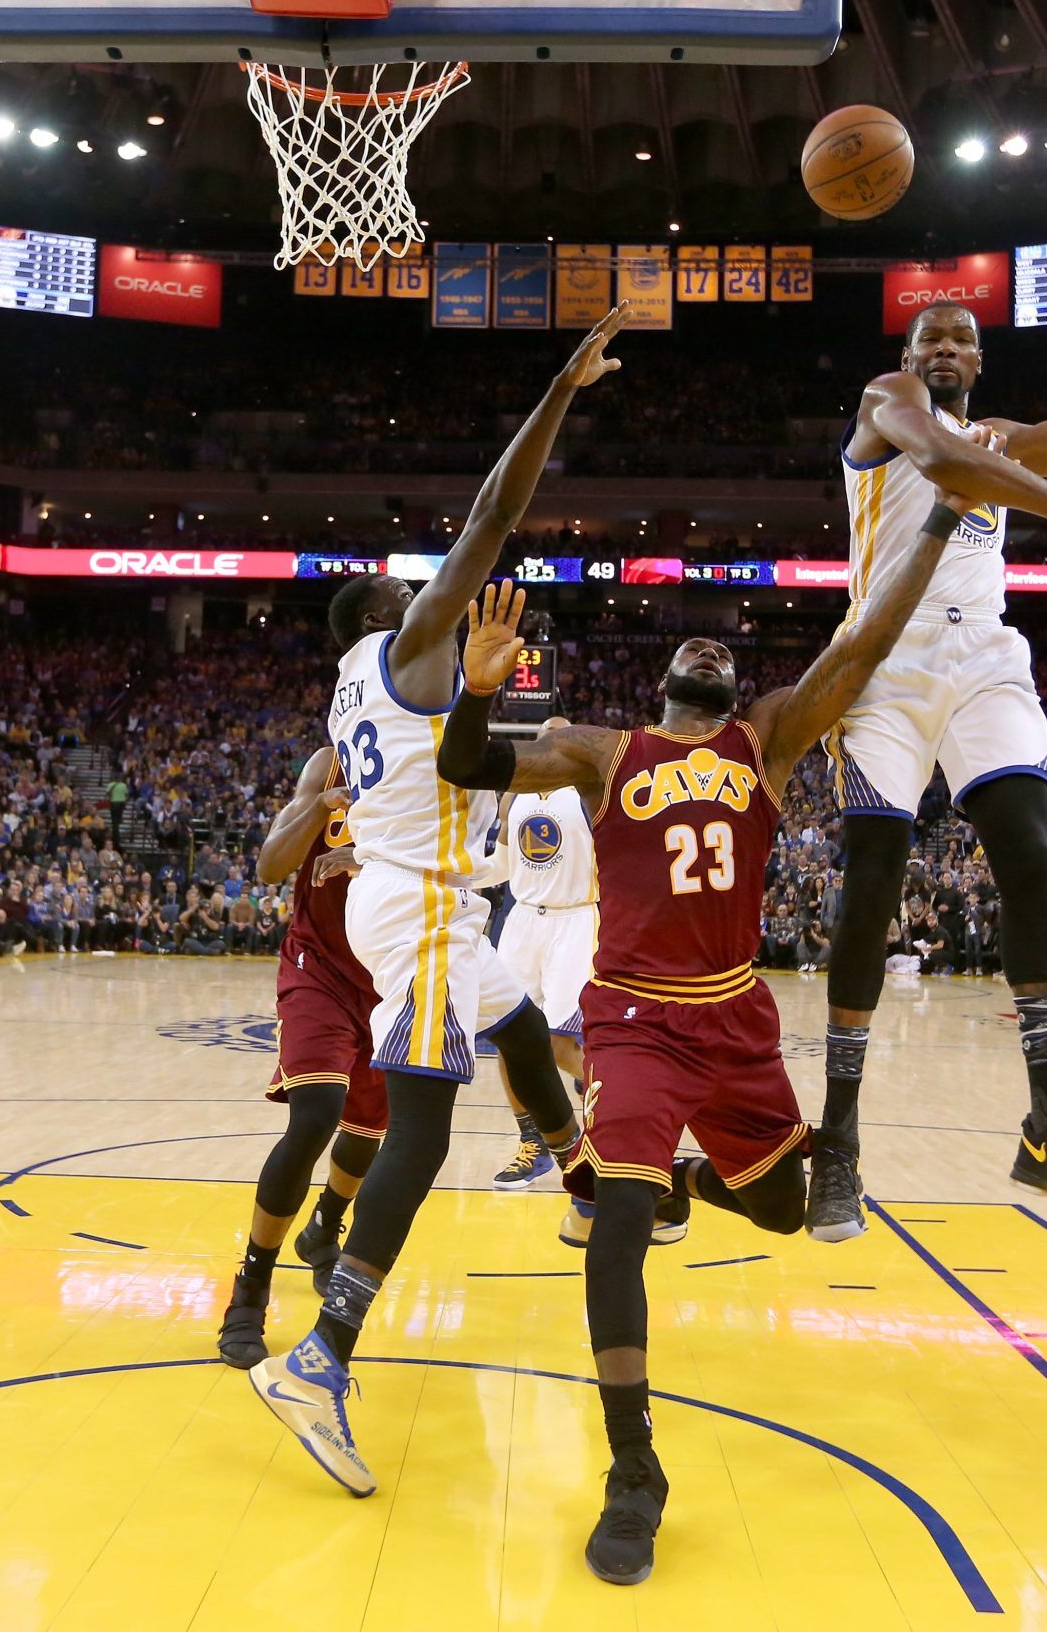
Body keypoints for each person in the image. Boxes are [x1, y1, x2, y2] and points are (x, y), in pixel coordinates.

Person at [429, 486, 964, 1587]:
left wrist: (938, 525)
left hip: (734, 1014)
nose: (710, 648)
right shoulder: (601, 750)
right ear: (666, 676)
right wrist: (476, 694)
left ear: (732, 680)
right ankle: (634, 1467)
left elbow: (863, 644)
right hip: (632, 1016)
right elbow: (466, 767)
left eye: (724, 647)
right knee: (617, 1220)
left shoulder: (766, 738)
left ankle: (677, 1177)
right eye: (694, 644)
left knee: (781, 1209)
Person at [244, 309, 623, 1497]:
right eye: (410, 592)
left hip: (436, 906)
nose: (435, 594)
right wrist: (558, 391)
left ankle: (582, 1189)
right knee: (421, 1131)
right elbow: (493, 516)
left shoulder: (360, 687)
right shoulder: (406, 650)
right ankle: (320, 1356)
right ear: (386, 617)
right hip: (412, 912)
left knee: (518, 1022)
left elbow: (462, 747)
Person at [812, 198, 1047, 1238]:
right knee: (873, 880)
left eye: (962, 337)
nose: (946, 347)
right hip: (884, 656)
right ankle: (838, 1141)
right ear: (908, 356)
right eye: (931, 336)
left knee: (1027, 854)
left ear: (980, 359)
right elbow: (945, 464)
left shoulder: (1003, 437)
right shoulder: (889, 403)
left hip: (982, 659)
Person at [218, 749, 386, 1367]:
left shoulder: (433, 761)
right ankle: (251, 1286)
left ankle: (324, 1227)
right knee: (316, 1115)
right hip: (320, 967)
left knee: (367, 1132)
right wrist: (319, 808)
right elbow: (269, 866)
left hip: (393, 974)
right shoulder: (332, 765)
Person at [480, 715, 599, 1188]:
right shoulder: (515, 794)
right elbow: (502, 865)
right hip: (523, 920)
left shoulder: (590, 791)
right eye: (546, 739)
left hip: (576, 919)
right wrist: (451, 875)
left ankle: (608, 1097)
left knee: (558, 1044)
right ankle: (533, 1143)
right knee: (508, 1035)